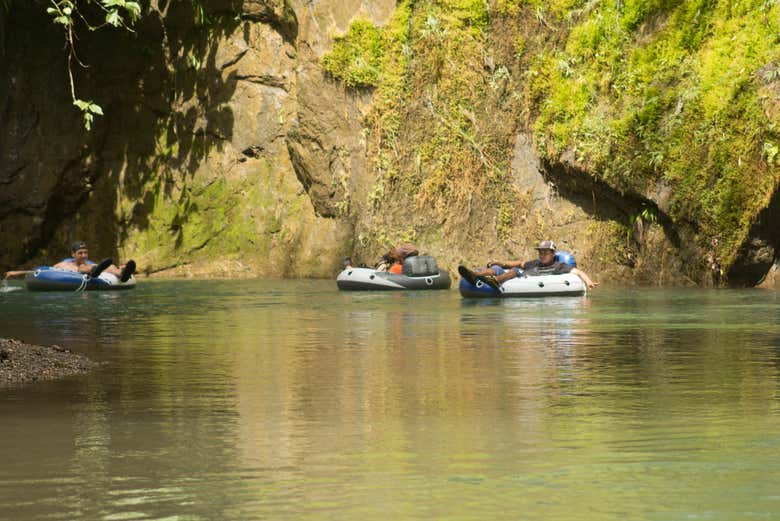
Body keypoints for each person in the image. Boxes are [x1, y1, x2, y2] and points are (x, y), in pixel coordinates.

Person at [458, 240, 598, 290]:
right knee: (496, 268)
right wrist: (501, 263)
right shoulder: (536, 262)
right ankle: (475, 275)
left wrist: (588, 281)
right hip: (510, 277)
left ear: (553, 253)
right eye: (540, 252)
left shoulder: (559, 266)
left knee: (516, 271)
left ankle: (495, 282)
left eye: (545, 252)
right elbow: (520, 263)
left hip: (519, 279)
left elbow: (578, 272)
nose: (541, 255)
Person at [4, 241, 136, 282]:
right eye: (80, 253)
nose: (84, 255)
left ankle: (122, 274)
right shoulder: (64, 264)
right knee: (82, 268)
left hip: (94, 271)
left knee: (110, 265)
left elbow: (106, 268)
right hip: (78, 275)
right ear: (73, 254)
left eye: (86, 252)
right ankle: (94, 272)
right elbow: (42, 271)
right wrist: (18, 272)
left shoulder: (89, 262)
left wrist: (120, 268)